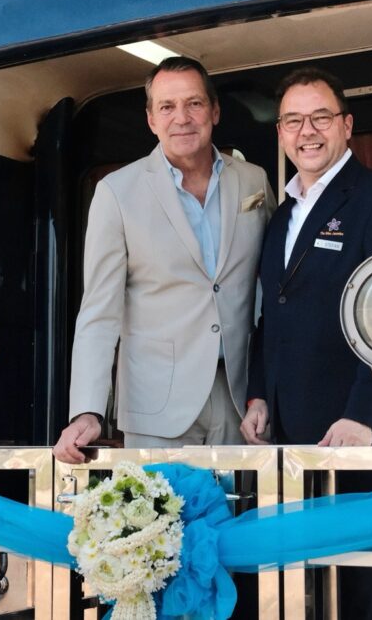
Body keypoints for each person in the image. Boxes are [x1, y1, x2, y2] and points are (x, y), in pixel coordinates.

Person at [241, 67, 372, 619]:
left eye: (320, 117)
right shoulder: (281, 216)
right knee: (313, 597)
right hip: (295, 443)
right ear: (280, 132)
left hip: (362, 438)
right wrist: (259, 395)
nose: (308, 131)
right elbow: (273, 317)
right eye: (294, 120)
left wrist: (365, 416)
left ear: (347, 125)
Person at [54, 56, 274, 463]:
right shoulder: (116, 193)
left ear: (214, 111)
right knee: (161, 507)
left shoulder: (254, 180)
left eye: (194, 103)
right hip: (156, 404)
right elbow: (99, 312)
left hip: (242, 399)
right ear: (151, 119)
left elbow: (274, 285)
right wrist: (87, 410)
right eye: (167, 107)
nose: (182, 118)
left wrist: (269, 386)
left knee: (241, 505)